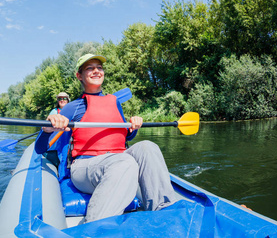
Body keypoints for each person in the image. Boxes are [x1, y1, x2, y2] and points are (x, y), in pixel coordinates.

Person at [35, 54, 177, 223]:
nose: (96, 71)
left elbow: (122, 135)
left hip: (117, 159)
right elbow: (40, 148)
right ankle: (93, 228)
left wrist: (132, 127)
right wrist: (48, 128)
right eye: (90, 68)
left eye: (99, 67)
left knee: (148, 146)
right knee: (124, 162)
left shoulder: (115, 102)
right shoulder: (73, 107)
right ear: (79, 76)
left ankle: (164, 214)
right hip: (85, 167)